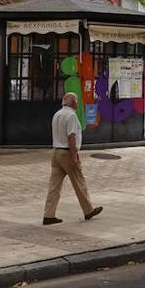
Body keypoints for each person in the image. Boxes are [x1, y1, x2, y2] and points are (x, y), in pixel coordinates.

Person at [43, 92, 103, 225]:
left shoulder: (57, 114)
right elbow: (71, 136)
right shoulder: (71, 116)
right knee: (79, 182)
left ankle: (48, 215)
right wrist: (74, 155)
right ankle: (88, 210)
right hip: (66, 153)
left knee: (54, 186)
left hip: (56, 152)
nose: (78, 103)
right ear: (74, 103)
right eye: (77, 101)